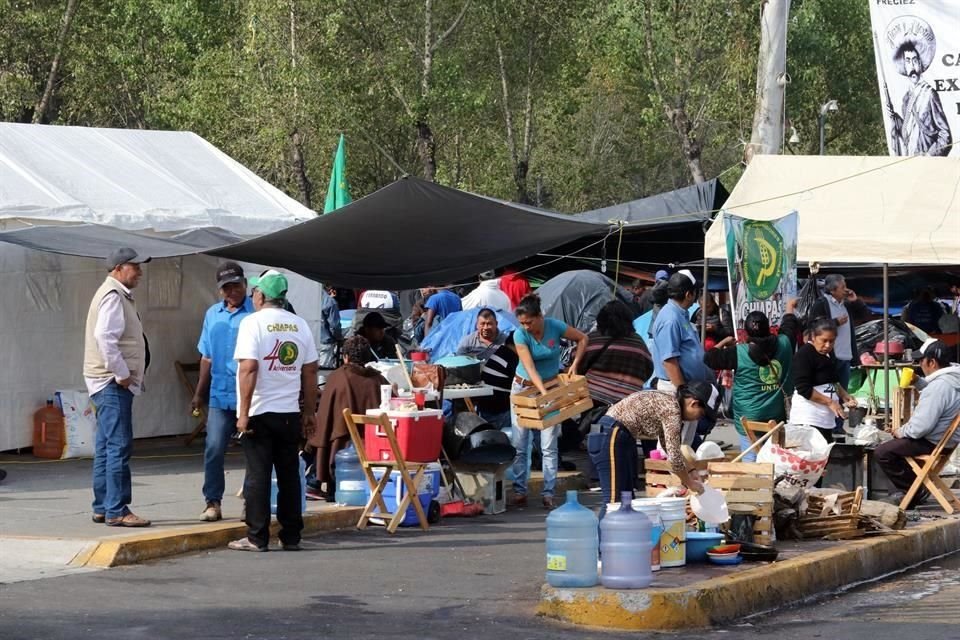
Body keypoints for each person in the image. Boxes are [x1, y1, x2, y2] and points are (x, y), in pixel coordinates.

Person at [229, 271, 318, 552]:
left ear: (261, 295)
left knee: (258, 475)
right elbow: (311, 370)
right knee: (289, 475)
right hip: (289, 412)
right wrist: (309, 413)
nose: (253, 295)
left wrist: (242, 413)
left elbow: (248, 368)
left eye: (255, 291)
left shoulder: (252, 323)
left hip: (260, 411)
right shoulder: (299, 325)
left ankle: (257, 537)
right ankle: (291, 536)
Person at [84, 247, 152, 527]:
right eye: (135, 266)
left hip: (103, 381)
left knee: (105, 446)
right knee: (118, 446)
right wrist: (122, 373)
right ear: (120, 267)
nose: (140, 272)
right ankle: (117, 509)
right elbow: (105, 338)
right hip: (112, 382)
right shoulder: (113, 296)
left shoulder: (113, 293)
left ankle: (102, 506)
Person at [509, 294, 588, 509]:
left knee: (548, 445)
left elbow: (582, 338)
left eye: (529, 322)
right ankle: (519, 490)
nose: (525, 327)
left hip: (551, 387)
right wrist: (542, 392)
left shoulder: (554, 326)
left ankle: (548, 492)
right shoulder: (519, 335)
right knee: (520, 443)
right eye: (522, 323)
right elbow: (530, 367)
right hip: (524, 388)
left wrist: (575, 364)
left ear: (540, 317)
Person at [589, 381, 721, 508]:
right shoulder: (672, 409)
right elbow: (674, 459)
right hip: (611, 435)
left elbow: (670, 449)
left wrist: (691, 471)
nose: (698, 419)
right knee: (615, 502)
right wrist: (690, 483)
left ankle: (621, 531)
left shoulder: (669, 404)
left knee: (626, 500)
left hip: (617, 435)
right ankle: (606, 531)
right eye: (701, 414)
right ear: (694, 403)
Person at [192, 261, 254, 522]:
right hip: (220, 393)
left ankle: (251, 503)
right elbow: (206, 357)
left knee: (254, 451)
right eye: (226, 288)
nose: (232, 291)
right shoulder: (212, 314)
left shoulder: (257, 313)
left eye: (236, 285)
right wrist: (198, 393)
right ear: (219, 291)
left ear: (246, 285)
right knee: (214, 448)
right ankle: (213, 502)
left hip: (249, 394)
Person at [704, 302, 800, 461]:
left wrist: (724, 343)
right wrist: (790, 307)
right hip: (777, 414)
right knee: (775, 459)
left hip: (748, 416)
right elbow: (789, 324)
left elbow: (709, 358)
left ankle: (752, 484)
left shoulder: (738, 352)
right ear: (769, 328)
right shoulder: (785, 343)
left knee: (750, 459)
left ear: (746, 333)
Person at [876, 339, 960, 508]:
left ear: (932, 362)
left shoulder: (939, 387)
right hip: (948, 441)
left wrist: (900, 431)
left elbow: (920, 428)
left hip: (932, 441)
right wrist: (918, 382)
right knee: (897, 446)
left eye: (921, 361)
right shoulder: (952, 379)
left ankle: (913, 492)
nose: (919, 365)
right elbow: (940, 395)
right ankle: (910, 492)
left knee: (883, 452)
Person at [308, 336, 387, 500]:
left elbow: (324, 418)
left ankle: (315, 480)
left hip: (339, 447)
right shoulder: (378, 380)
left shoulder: (337, 378)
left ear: (345, 357)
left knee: (321, 430)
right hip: (371, 446)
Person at [649, 269, 714, 445]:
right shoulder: (670, 318)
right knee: (674, 445)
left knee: (683, 443)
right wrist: (683, 393)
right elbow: (669, 360)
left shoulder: (679, 314)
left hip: (685, 387)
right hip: (675, 388)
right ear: (688, 294)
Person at [884, 24, 952, 157]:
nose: (912, 66)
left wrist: (929, 156)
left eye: (915, 60)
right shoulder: (906, 99)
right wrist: (895, 118)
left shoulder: (930, 94)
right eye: (908, 61)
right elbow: (908, 133)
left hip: (929, 163)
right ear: (904, 65)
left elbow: (945, 135)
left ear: (920, 64)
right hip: (911, 160)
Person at [788, 318, 858, 442]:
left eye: (832, 341)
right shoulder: (804, 355)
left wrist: (844, 395)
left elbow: (833, 380)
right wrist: (830, 402)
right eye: (824, 341)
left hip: (824, 420)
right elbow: (804, 389)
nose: (828, 345)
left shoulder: (829, 354)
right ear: (813, 337)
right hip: (808, 418)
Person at [576, 300, 653, 408]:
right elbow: (649, 369)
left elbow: (577, 363)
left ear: (601, 319)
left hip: (593, 400)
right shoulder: (638, 342)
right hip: (627, 404)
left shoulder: (594, 338)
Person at [809, 274, 868, 401]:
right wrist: (834, 322)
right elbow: (814, 326)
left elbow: (865, 315)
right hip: (830, 357)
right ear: (832, 290)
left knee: (843, 397)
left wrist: (855, 300)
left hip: (845, 357)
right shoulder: (822, 304)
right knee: (829, 394)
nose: (846, 290)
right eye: (843, 287)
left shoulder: (846, 305)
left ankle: (839, 421)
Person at [475, 332, 519, 432]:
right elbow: (526, 382)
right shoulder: (512, 359)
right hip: (499, 415)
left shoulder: (501, 352)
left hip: (485, 413)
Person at [317, 284, 343, 370]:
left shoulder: (309, 296)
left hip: (310, 341)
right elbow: (335, 326)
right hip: (325, 344)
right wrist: (339, 338)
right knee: (322, 375)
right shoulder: (330, 302)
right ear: (331, 289)